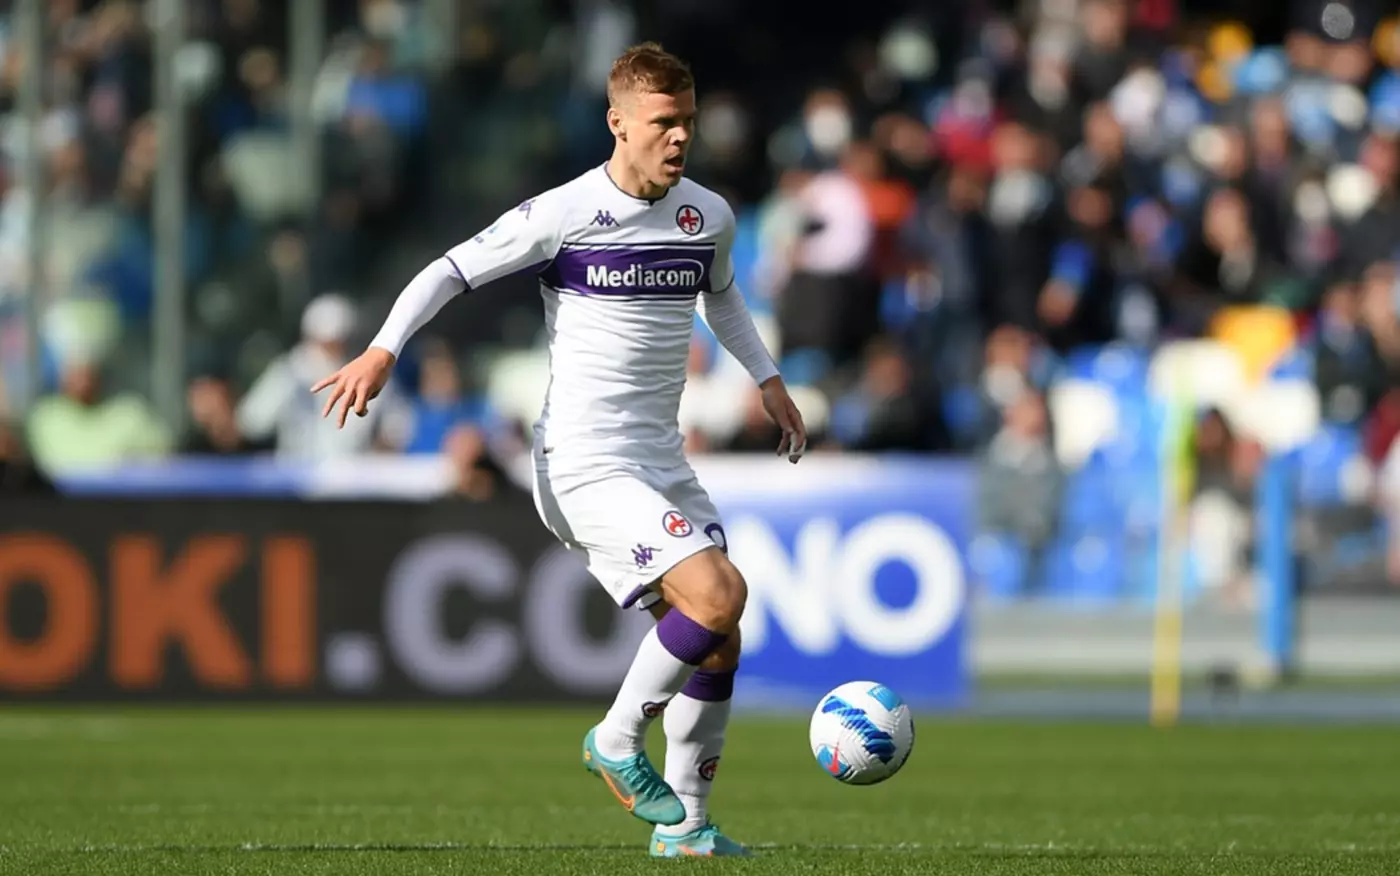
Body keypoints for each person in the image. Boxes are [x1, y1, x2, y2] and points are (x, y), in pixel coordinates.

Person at [311, 42, 806, 858]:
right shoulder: (566, 212)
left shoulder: (707, 216)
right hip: (584, 463)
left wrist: (767, 378)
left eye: (687, 120)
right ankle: (615, 739)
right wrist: (383, 349)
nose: (680, 137)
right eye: (663, 122)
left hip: (661, 460)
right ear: (618, 122)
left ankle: (686, 828)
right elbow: (447, 271)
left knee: (718, 637)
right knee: (719, 594)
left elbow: (721, 296)